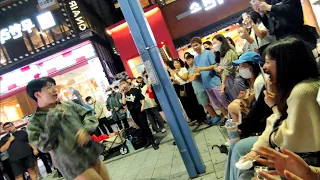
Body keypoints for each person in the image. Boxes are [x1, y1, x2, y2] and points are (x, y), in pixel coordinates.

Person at [224, 37, 320, 180]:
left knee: (244, 165)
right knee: (241, 152)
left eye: (268, 62)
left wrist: (273, 105)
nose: (265, 67)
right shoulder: (286, 87)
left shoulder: (303, 91)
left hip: (305, 157)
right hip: (292, 149)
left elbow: (282, 134)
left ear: (285, 63)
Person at [26, 77, 109, 180]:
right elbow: (44, 146)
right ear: (37, 94)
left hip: (90, 152)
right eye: (48, 87)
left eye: (54, 86)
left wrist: (85, 129)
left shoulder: (68, 105)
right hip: (72, 163)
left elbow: (88, 115)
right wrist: (52, 119)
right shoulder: (34, 122)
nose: (54, 89)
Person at [254, 0, 319, 49]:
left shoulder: (272, 5)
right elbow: (271, 28)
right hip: (282, 41)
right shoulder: (272, 2)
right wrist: (262, 14)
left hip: (297, 36)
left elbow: (291, 10)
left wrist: (269, 7)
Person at [191, 37, 228, 118]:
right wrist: (195, 75)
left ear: (200, 44)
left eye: (196, 45)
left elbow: (215, 66)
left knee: (224, 101)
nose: (195, 47)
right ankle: (226, 118)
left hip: (214, 82)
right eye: (193, 46)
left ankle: (233, 117)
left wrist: (202, 69)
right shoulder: (196, 59)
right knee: (217, 103)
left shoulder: (208, 53)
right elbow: (198, 70)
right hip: (206, 84)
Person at [120, 79, 159, 150]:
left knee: (145, 126)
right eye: (121, 84)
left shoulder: (135, 90)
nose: (123, 85)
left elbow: (142, 98)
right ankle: (148, 140)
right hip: (132, 112)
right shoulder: (124, 94)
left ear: (127, 83)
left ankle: (153, 141)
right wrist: (123, 94)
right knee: (141, 126)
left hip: (139, 110)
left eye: (124, 83)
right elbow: (124, 103)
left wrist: (142, 106)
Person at [227, 52, 265, 123]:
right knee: (233, 105)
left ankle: (241, 128)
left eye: (243, 65)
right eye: (240, 66)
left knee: (232, 106)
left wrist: (246, 98)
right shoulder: (249, 79)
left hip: (261, 113)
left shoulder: (260, 81)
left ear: (254, 65)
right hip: (254, 108)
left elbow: (259, 103)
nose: (240, 69)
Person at [167, 59, 207, 125]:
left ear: (180, 63)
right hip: (181, 87)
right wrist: (174, 81)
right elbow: (178, 82)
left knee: (195, 102)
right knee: (189, 104)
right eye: (174, 63)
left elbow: (185, 78)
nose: (176, 64)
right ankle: (197, 119)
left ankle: (203, 117)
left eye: (177, 63)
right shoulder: (174, 72)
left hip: (188, 86)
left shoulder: (184, 69)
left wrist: (177, 74)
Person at [185, 54, 221, 124]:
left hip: (201, 88)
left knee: (206, 104)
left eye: (189, 59)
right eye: (187, 60)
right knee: (204, 104)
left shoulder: (196, 67)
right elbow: (188, 78)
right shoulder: (189, 69)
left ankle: (215, 116)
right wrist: (191, 77)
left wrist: (191, 77)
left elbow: (195, 77)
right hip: (196, 89)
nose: (188, 62)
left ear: (193, 59)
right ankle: (213, 116)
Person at [213, 35, 247, 101]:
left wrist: (223, 84)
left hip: (234, 79)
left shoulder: (229, 52)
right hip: (227, 82)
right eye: (213, 44)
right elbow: (216, 66)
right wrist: (218, 68)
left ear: (221, 42)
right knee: (236, 102)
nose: (214, 45)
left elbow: (228, 69)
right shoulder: (219, 55)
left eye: (215, 43)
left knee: (243, 101)